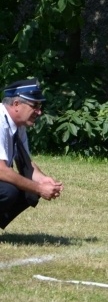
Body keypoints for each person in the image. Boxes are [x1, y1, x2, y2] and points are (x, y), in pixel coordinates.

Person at [0, 79, 63, 230]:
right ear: (16, 104)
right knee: (9, 190)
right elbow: (1, 170)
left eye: (40, 106)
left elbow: (26, 163)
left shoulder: (17, 125)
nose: (39, 111)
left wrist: (44, 181)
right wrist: (38, 188)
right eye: (34, 105)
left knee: (28, 188)